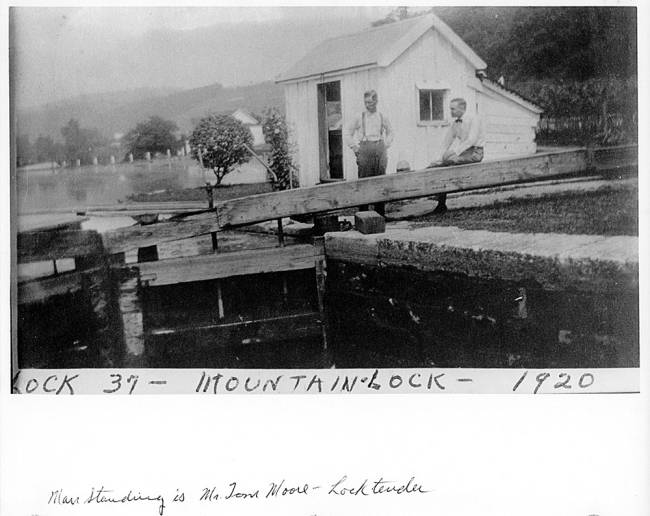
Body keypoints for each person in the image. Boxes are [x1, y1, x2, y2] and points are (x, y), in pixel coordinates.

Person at [429, 97, 485, 214]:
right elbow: (446, 142)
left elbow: (471, 140)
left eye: (453, 109)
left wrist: (454, 153)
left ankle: (441, 203)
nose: (451, 112)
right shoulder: (455, 123)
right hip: (464, 153)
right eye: (450, 109)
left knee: (447, 162)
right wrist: (437, 159)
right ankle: (441, 204)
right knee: (440, 164)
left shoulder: (473, 118)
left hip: (475, 153)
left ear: (462, 108)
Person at [345, 89, 393, 216]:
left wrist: (386, 144)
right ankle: (363, 215)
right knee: (364, 183)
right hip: (365, 150)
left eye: (370, 103)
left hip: (379, 149)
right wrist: (355, 148)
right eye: (365, 102)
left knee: (380, 181)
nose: (367, 105)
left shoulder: (382, 116)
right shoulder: (359, 117)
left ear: (376, 101)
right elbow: (347, 133)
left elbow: (390, 132)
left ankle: (380, 214)